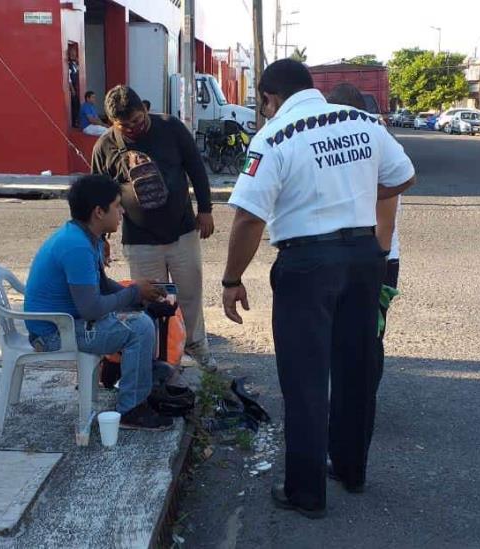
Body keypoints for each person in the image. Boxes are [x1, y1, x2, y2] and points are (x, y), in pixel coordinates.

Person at [222, 60, 416, 518]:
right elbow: (404, 176)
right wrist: (355, 195)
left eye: (262, 103)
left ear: (270, 98)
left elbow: (249, 216)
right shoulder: (363, 122)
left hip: (307, 265)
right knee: (356, 368)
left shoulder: (274, 137)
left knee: (305, 379)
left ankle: (306, 493)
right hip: (365, 259)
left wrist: (232, 279)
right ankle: (351, 471)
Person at [24, 174, 172, 431]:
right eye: (117, 206)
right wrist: (135, 293)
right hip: (53, 334)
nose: (122, 212)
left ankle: (137, 394)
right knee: (141, 329)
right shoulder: (77, 247)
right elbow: (91, 308)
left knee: (141, 318)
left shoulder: (85, 236)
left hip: (66, 324)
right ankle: (131, 410)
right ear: (98, 212)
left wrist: (142, 298)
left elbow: (102, 286)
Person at [91, 85, 217, 371]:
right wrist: (102, 238)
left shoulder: (171, 128)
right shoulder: (105, 147)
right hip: (139, 239)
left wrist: (206, 210)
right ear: (112, 123)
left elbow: (196, 168)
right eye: (125, 125)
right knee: (153, 300)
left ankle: (197, 346)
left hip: (182, 230)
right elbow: (97, 197)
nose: (134, 128)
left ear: (145, 109)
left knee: (189, 295)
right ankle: (161, 356)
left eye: (138, 120)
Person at [68, 46, 80, 128]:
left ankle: (76, 121)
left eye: (74, 51)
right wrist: (72, 88)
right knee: (74, 104)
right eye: (72, 51)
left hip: (76, 86)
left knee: (77, 104)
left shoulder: (75, 63)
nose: (74, 53)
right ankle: (73, 123)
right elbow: (68, 78)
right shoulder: (69, 64)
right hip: (72, 87)